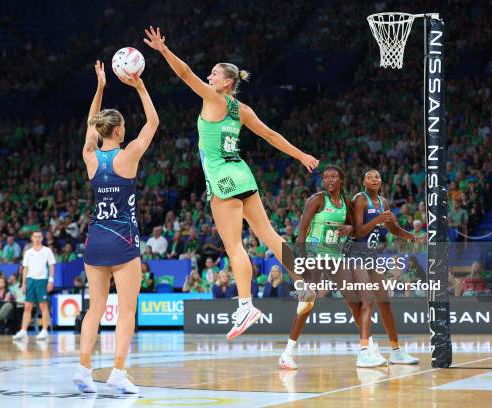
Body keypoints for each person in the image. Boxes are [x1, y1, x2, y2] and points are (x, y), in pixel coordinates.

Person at [145, 26, 319, 340]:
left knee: (234, 246)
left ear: (227, 82)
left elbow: (184, 74)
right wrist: (301, 155)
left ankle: (245, 304)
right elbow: (270, 135)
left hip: (223, 178)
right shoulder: (242, 110)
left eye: (213, 74)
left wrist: (163, 50)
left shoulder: (214, 99)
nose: (208, 76)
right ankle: (305, 280)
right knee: (268, 234)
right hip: (242, 173)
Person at [72, 61, 158, 394]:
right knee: (126, 310)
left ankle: (83, 369)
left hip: (95, 241)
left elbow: (90, 128)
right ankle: (118, 372)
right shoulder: (130, 155)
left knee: (94, 309)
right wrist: (138, 87)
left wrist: (100, 88)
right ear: (120, 130)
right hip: (123, 242)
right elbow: (153, 122)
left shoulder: (90, 155)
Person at [279, 166, 357, 369]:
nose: (330, 180)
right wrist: (303, 260)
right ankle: (287, 353)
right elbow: (302, 230)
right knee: (308, 302)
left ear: (341, 179)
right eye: (326, 177)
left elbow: (355, 229)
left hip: (335, 255)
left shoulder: (347, 203)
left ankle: (368, 347)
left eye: (334, 177)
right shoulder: (317, 199)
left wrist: (351, 228)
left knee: (353, 298)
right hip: (314, 254)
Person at [351, 169, 420, 367]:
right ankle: (364, 351)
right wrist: (376, 220)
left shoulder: (383, 202)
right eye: (370, 177)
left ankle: (396, 352)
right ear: (363, 181)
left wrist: (412, 237)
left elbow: (393, 229)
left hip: (372, 257)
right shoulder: (360, 199)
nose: (374, 179)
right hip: (355, 256)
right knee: (368, 301)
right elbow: (356, 232)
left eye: (378, 177)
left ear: (382, 182)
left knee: (385, 303)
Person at [12, 231, 56, 342]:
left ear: (42, 238)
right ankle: (23, 331)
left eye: (39, 236)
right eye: (35, 236)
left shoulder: (47, 251)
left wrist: (51, 281)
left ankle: (45, 331)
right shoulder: (28, 252)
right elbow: (25, 268)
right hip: (30, 281)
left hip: (42, 281)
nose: (37, 238)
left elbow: (51, 266)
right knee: (27, 307)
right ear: (32, 238)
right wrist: (23, 284)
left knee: (43, 306)